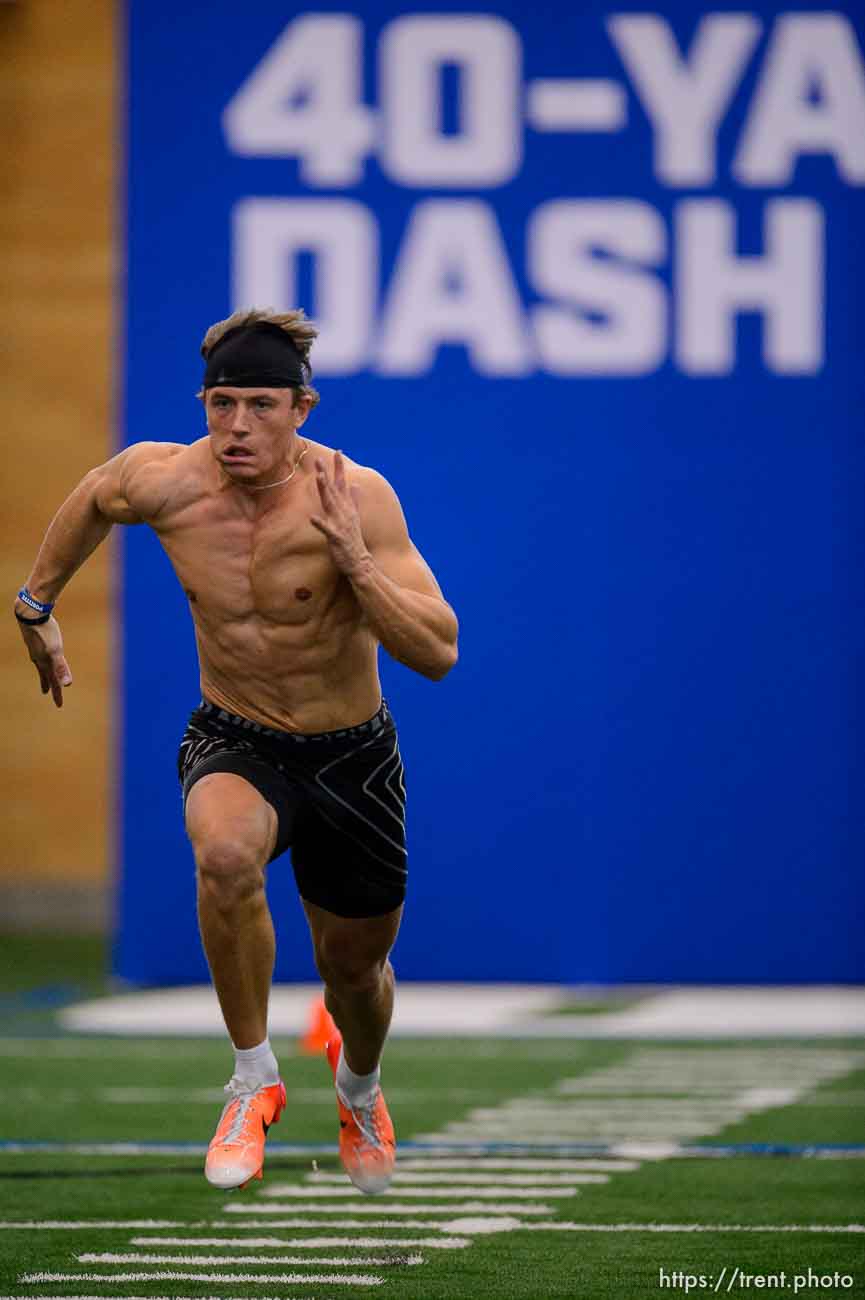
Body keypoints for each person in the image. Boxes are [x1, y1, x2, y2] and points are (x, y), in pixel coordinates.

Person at [14, 307, 459, 1194]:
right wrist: (35, 607)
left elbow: (438, 652)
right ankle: (252, 1079)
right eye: (222, 403)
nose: (237, 427)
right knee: (222, 855)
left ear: (303, 408)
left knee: (355, 970)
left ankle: (360, 1091)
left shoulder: (354, 496)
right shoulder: (165, 479)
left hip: (351, 757)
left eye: (260, 405)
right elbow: (94, 498)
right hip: (236, 733)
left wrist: (355, 566)